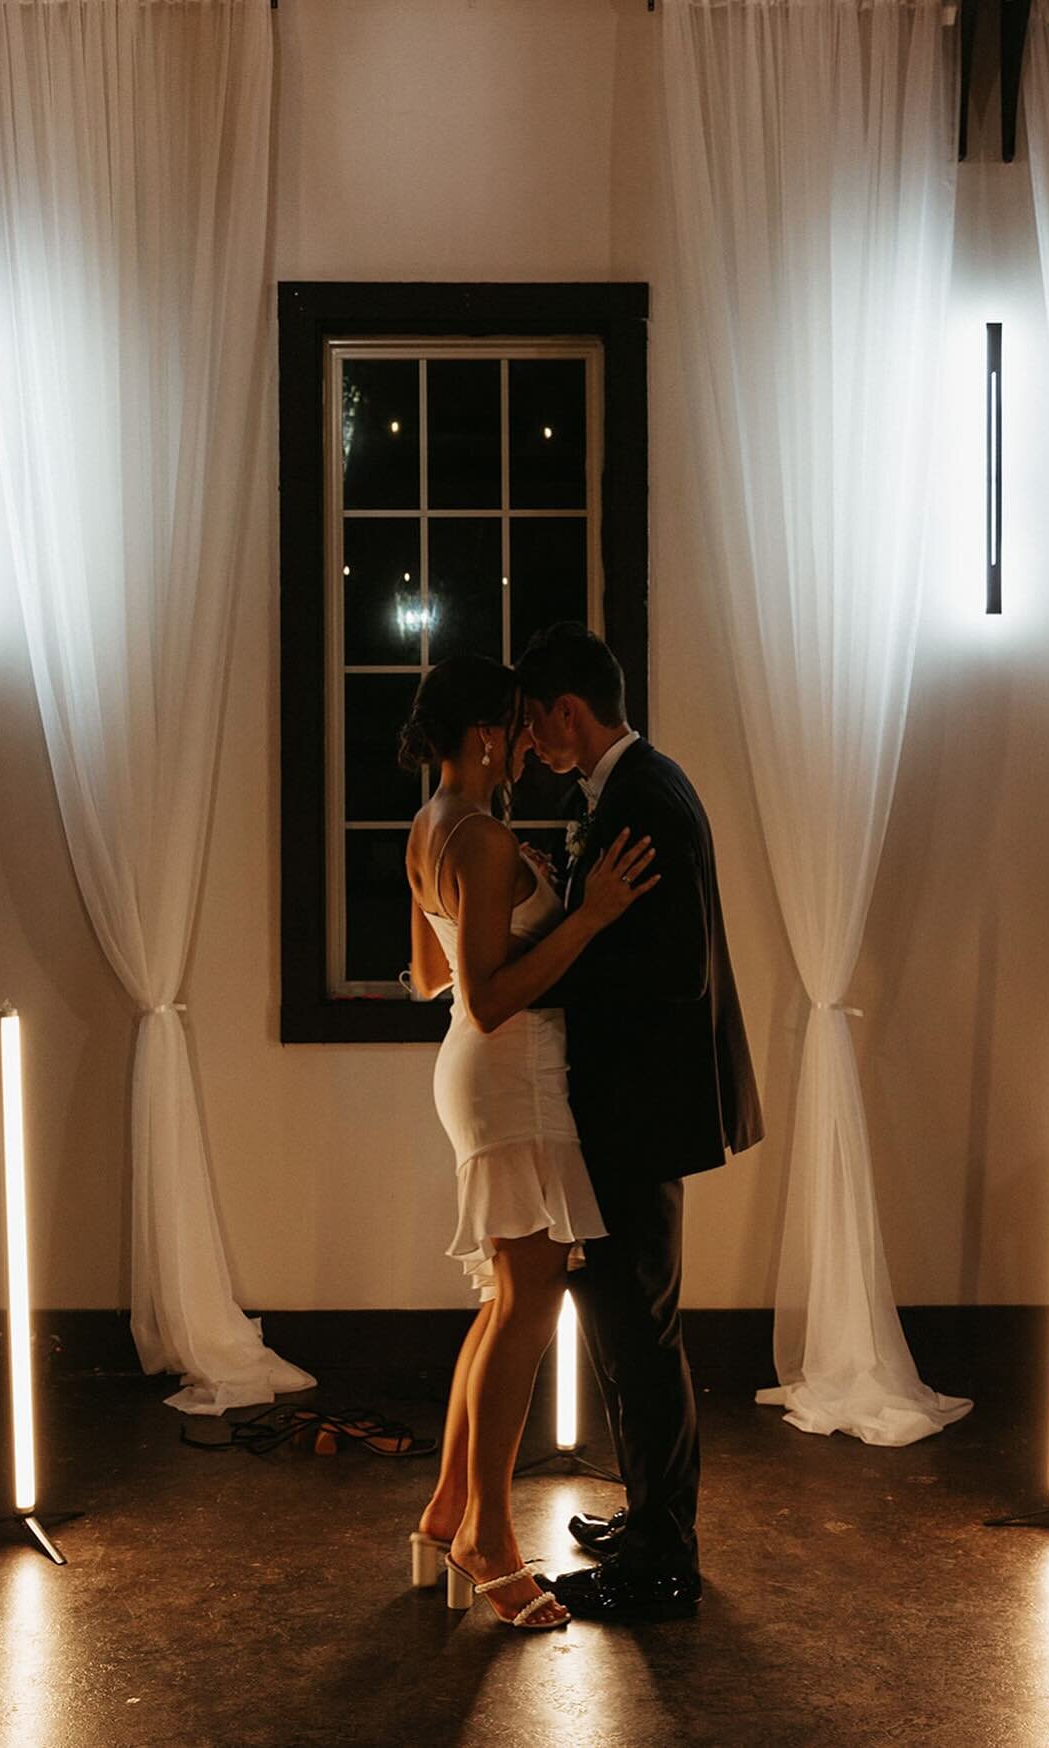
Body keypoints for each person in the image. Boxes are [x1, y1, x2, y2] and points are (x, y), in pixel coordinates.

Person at [400, 654, 659, 1631]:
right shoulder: (484, 833)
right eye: (513, 727)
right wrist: (584, 913)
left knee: (509, 1299)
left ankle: (444, 1512)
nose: (524, 745)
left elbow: (425, 971)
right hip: (512, 1077)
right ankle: (490, 1538)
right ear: (484, 735)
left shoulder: (431, 826)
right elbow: (486, 993)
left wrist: (516, 901)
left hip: (476, 1073)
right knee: (528, 1302)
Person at [514, 622, 764, 1622]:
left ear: (568, 710)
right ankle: (648, 1513)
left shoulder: (643, 796)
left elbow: (661, 971)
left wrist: (556, 955)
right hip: (637, 1106)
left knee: (640, 1330)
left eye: (536, 727)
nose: (532, 748)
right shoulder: (645, 784)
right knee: (627, 1326)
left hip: (637, 1110)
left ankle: (665, 1556)